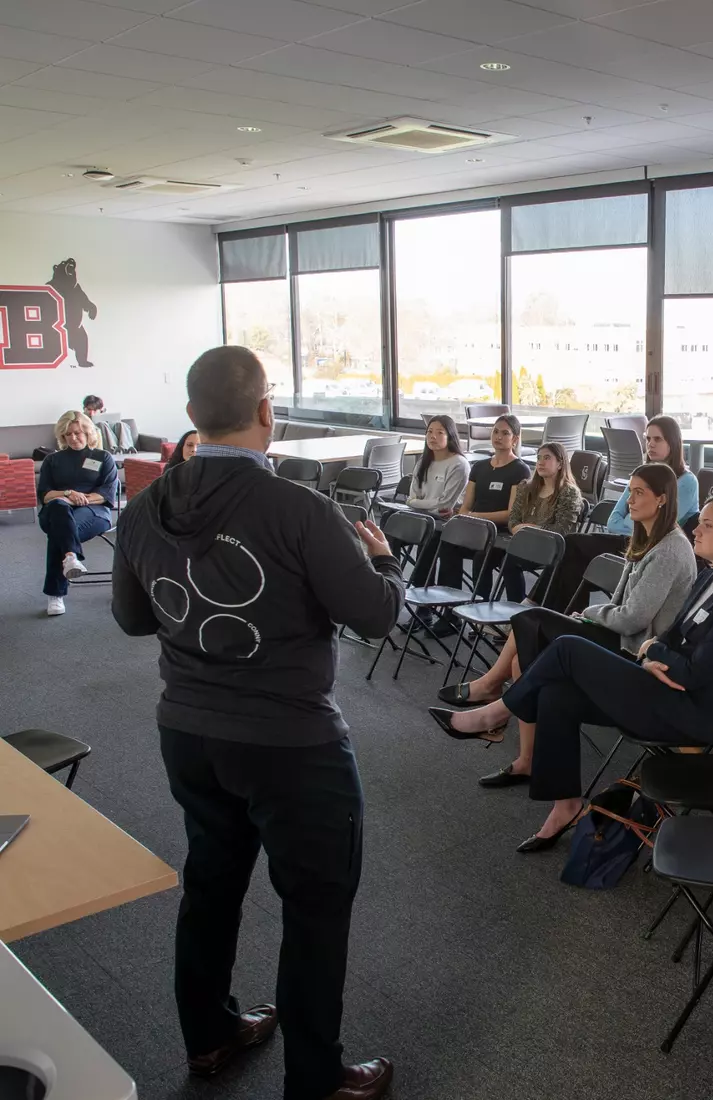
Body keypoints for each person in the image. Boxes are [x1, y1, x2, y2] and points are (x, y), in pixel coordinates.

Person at [110, 346, 401, 1100]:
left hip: (189, 734)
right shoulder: (304, 509)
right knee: (315, 905)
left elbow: (133, 620)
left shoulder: (142, 507)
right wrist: (386, 562)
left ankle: (207, 1037)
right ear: (267, 411)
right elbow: (372, 617)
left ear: (190, 418)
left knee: (210, 882)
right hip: (292, 747)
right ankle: (315, 1078)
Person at [432, 492, 713, 852]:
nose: (697, 530)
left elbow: (694, 673)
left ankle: (495, 713)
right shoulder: (711, 580)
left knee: (567, 647)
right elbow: (672, 639)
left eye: (708, 525)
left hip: (688, 712)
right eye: (699, 522)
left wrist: (653, 651)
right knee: (557, 694)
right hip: (661, 686)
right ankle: (566, 806)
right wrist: (651, 653)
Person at [434, 463, 698, 789]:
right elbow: (617, 605)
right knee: (523, 653)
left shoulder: (671, 548)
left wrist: (589, 612)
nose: (629, 499)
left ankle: (494, 697)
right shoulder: (646, 536)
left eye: (639, 492)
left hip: (632, 650)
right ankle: (522, 752)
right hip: (616, 634)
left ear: (662, 499)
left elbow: (633, 619)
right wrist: (590, 616)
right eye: (629, 491)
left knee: (530, 620)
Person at [545, 415, 699, 615]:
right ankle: (563, 619)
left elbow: (663, 525)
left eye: (657, 439)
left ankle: (548, 613)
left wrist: (633, 517)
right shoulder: (641, 474)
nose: (650, 444)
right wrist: (639, 517)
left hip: (654, 551)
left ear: (673, 442)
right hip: (630, 541)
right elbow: (613, 521)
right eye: (647, 439)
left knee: (574, 550)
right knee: (571, 554)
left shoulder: (687, 481)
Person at [437, 414, 530, 598]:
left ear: (515, 439)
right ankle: (450, 605)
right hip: (474, 528)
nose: (498, 436)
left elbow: (511, 514)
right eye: (495, 431)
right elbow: (465, 507)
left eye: (505, 433)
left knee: (482, 556)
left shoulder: (520, 469)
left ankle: (479, 609)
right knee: (446, 544)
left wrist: (476, 516)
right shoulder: (479, 467)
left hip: (499, 533)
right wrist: (468, 516)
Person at [36, 410, 118, 616]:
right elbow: (45, 495)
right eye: (67, 434)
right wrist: (67, 494)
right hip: (57, 509)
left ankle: (55, 594)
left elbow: (106, 494)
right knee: (58, 509)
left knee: (60, 532)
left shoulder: (102, 457)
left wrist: (80, 499)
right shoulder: (52, 461)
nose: (73, 438)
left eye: (78, 433)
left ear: (88, 432)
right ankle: (71, 557)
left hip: (95, 512)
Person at [500, 440, 583, 601]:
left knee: (509, 560)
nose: (541, 462)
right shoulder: (526, 487)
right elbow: (513, 519)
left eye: (547, 458)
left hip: (552, 548)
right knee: (487, 555)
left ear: (560, 463)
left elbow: (561, 530)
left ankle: (517, 613)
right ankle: (495, 607)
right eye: (539, 458)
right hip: (523, 543)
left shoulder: (569, 493)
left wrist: (529, 528)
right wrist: (521, 528)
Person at [406, 414, 468, 516]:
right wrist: (416, 504)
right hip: (418, 517)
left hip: (444, 522)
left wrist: (415, 503)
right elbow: (412, 497)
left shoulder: (459, 464)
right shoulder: (423, 461)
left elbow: (445, 505)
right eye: (429, 432)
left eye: (440, 433)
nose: (433, 436)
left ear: (450, 437)